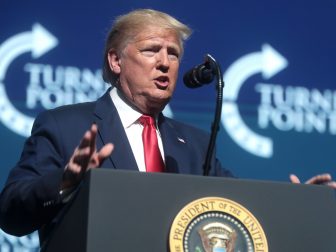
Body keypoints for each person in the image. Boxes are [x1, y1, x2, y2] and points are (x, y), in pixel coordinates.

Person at [0, 8, 334, 248]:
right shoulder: (65, 124)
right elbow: (10, 212)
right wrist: (65, 182)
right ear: (116, 61)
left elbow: (241, 208)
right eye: (151, 50)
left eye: (173, 54)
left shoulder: (193, 144)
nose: (164, 62)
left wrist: (298, 202)